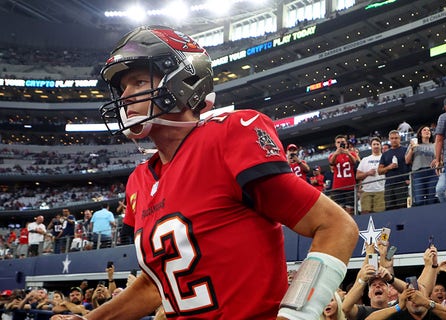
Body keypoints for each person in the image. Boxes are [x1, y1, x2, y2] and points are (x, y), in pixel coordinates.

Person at [52, 25, 357, 320]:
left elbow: (336, 226)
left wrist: (295, 314)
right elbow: (156, 283)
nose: (126, 95)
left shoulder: (228, 135)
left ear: (182, 80)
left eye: (138, 82)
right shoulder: (139, 180)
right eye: (123, 87)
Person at [405, 125, 437, 206]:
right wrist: (412, 149)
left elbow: (439, 157)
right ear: (420, 133)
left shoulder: (435, 145)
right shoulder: (413, 144)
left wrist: (437, 159)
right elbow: (407, 160)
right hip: (418, 173)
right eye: (424, 130)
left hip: (432, 173)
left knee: (431, 199)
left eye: (429, 130)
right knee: (419, 200)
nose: (427, 131)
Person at [378, 130, 410, 210]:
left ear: (400, 139)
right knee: (389, 208)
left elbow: (412, 164)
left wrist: (409, 179)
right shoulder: (385, 154)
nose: (394, 140)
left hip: (402, 184)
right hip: (389, 185)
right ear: (389, 139)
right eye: (392, 138)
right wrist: (389, 167)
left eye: (396, 138)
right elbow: (379, 171)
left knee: (403, 207)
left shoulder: (406, 150)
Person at [329, 134, 360, 214]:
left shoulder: (351, 154)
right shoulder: (333, 155)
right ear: (336, 144)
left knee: (350, 210)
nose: (340, 144)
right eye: (338, 142)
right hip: (337, 188)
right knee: (339, 211)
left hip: (350, 187)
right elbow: (331, 162)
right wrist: (337, 153)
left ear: (346, 143)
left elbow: (354, 162)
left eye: (342, 142)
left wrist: (348, 153)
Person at [356, 137, 385, 213]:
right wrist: (368, 173)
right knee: (365, 213)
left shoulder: (385, 157)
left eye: (377, 144)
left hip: (381, 190)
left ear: (380, 146)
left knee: (380, 213)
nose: (376, 146)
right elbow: (358, 176)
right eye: (374, 144)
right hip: (366, 190)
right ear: (371, 146)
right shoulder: (365, 159)